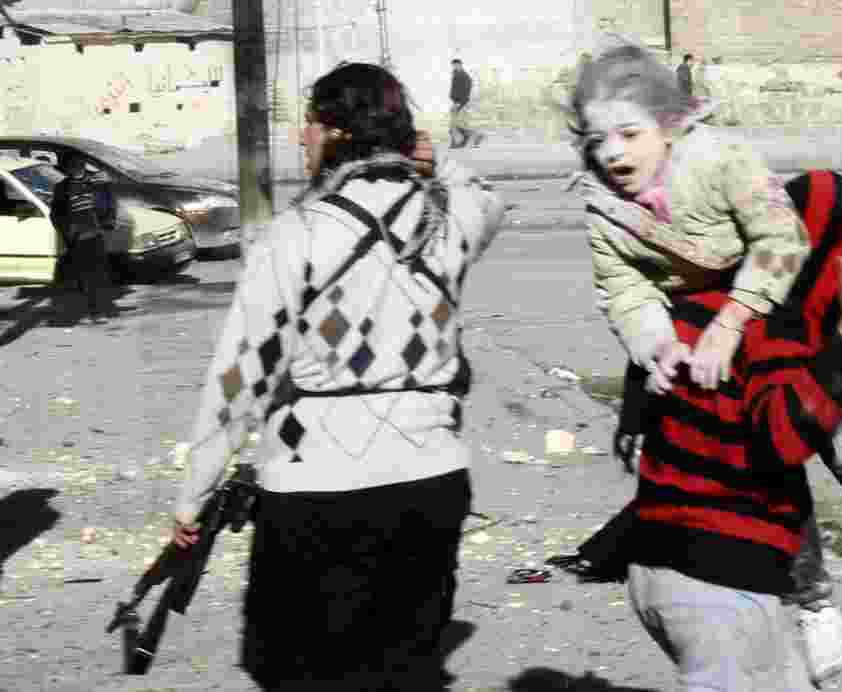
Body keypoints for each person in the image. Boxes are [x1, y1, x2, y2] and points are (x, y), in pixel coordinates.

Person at [563, 43, 842, 685]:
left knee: (834, 433)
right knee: (766, 465)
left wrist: (734, 319)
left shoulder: (717, 161)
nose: (613, 153)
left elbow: (783, 238)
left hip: (775, 301)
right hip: (699, 334)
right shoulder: (605, 206)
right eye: (596, 139)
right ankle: (811, 601)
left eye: (629, 134)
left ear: (668, 124)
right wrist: (655, 345)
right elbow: (625, 290)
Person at [172, 61, 504, 691]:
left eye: (310, 123)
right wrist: (433, 160)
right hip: (430, 478)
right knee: (403, 671)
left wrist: (195, 491)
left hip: (314, 487)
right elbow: (489, 198)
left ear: (337, 132)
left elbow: (240, 379)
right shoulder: (450, 219)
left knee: (299, 673)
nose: (301, 138)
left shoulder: (297, 232)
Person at [50, 155, 118, 322]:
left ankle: (100, 310)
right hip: (78, 237)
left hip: (95, 233)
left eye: (77, 166)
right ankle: (95, 311)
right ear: (67, 170)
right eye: (71, 167)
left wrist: (108, 221)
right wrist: (67, 232)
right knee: (87, 276)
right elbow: (56, 214)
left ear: (82, 167)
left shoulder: (98, 184)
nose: (75, 169)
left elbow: (110, 203)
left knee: (99, 275)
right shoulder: (62, 188)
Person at [449, 58, 483, 149]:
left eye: (456, 65)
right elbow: (455, 89)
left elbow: (465, 91)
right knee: (456, 124)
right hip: (457, 102)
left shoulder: (464, 76)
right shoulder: (457, 74)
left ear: (460, 65)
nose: (454, 67)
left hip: (460, 102)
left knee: (454, 124)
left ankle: (473, 136)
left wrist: (459, 103)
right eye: (453, 65)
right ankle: (469, 138)